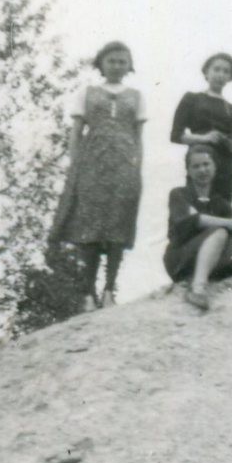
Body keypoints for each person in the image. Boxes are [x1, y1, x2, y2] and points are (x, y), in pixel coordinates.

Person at [50, 40, 145, 310]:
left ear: (129, 65)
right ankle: (87, 292)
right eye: (111, 60)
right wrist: (75, 165)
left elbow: (139, 137)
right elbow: (76, 132)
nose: (116, 66)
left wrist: (137, 168)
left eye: (122, 61)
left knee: (118, 223)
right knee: (89, 225)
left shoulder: (136, 96)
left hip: (124, 166)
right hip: (92, 164)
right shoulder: (87, 93)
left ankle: (109, 289)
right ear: (101, 63)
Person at [164, 144, 232, 310]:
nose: (202, 170)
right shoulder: (179, 194)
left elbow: (231, 239)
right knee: (220, 232)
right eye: (196, 166)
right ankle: (198, 289)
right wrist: (229, 224)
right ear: (188, 170)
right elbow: (188, 223)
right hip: (181, 258)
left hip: (212, 262)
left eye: (206, 164)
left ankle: (204, 276)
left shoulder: (222, 204)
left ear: (215, 167)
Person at [170, 53, 232, 202]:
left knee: (223, 208)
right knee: (200, 205)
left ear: (230, 77)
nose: (220, 75)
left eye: (226, 71)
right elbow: (175, 135)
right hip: (200, 159)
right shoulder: (192, 98)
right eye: (216, 69)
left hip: (226, 166)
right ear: (206, 72)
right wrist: (205, 138)